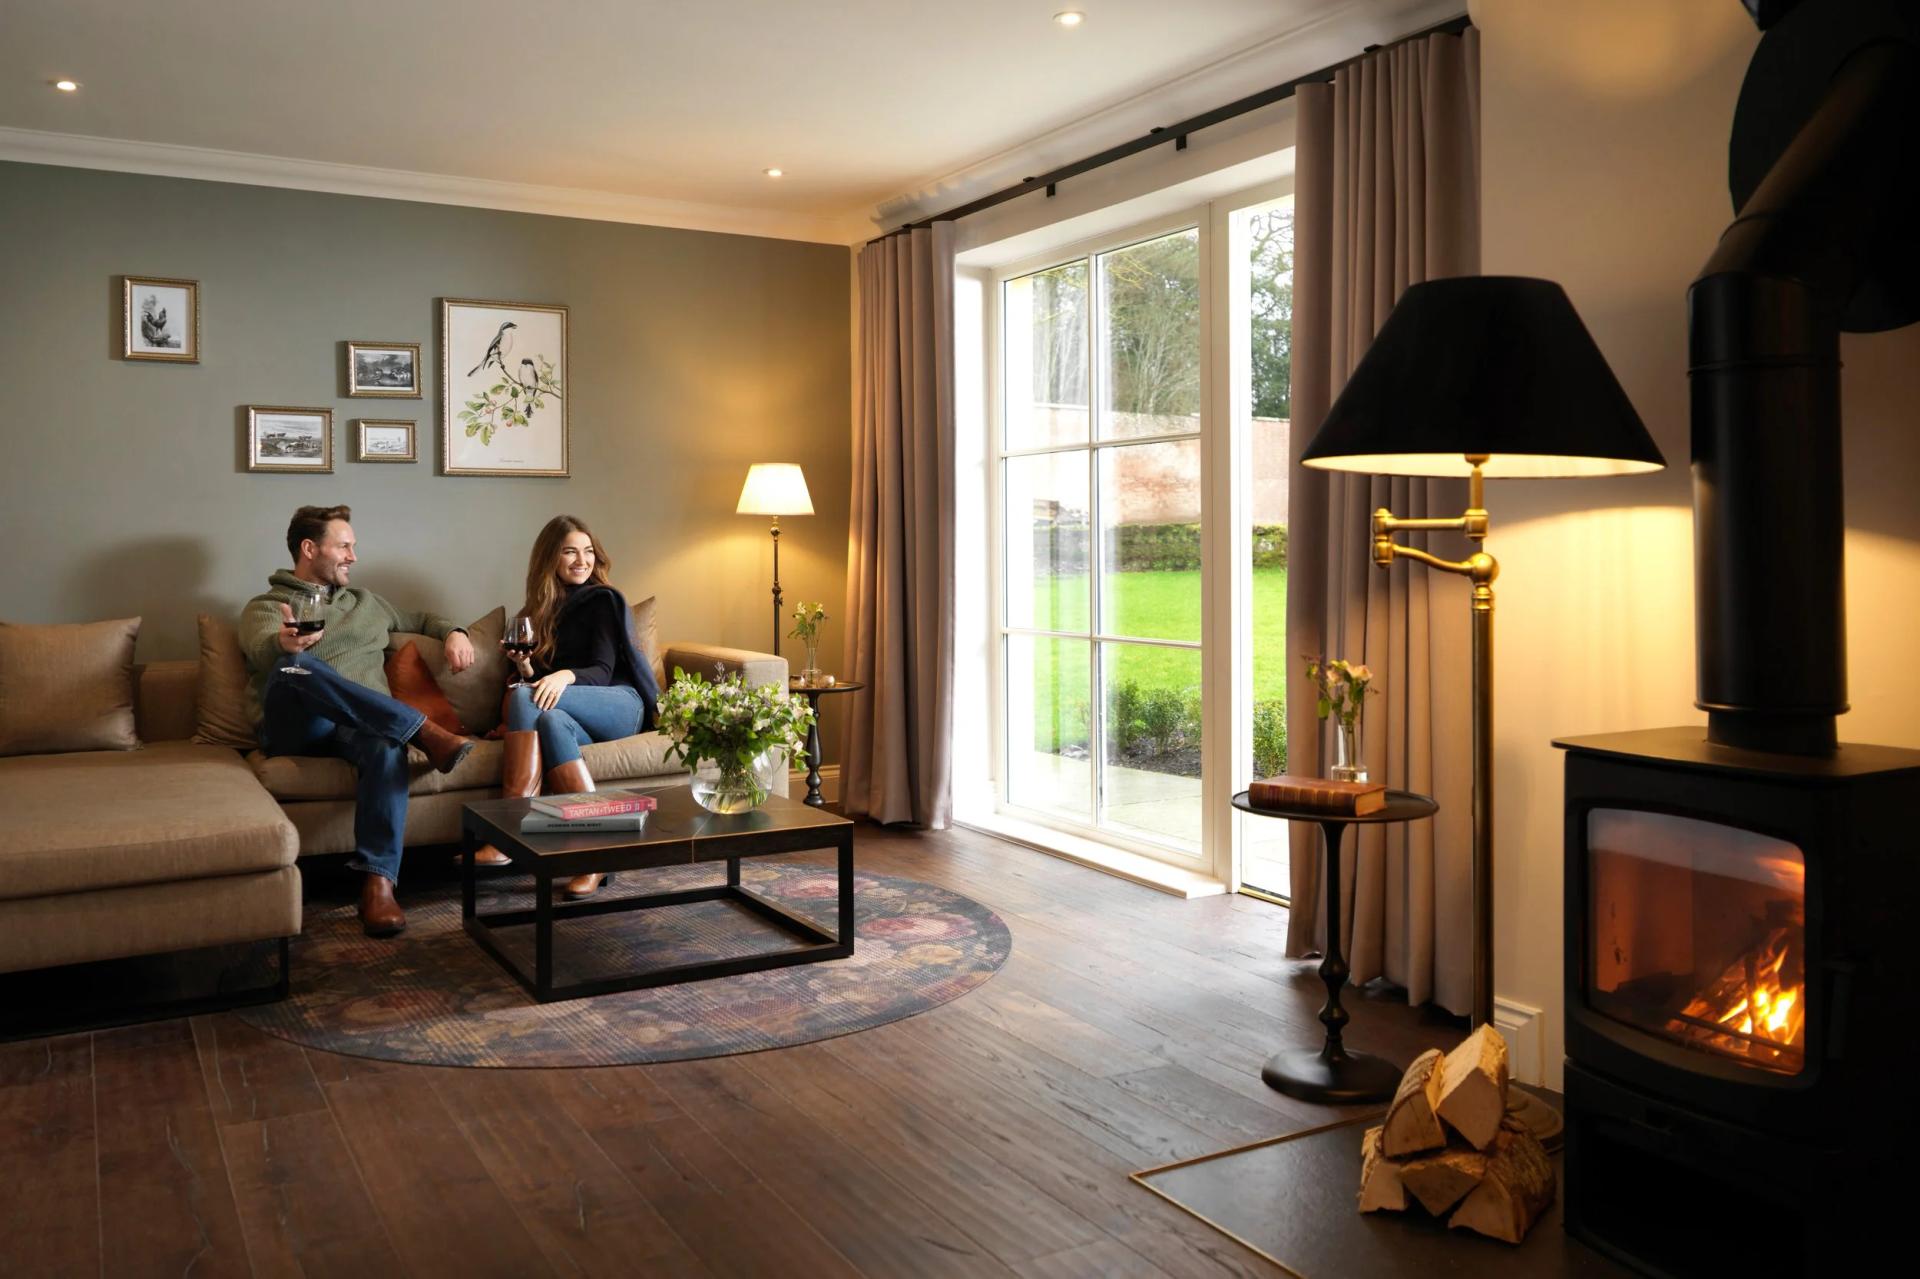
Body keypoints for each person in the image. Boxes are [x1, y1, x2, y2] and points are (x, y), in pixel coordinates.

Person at [239, 505, 478, 937]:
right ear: (310, 549)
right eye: (344, 546)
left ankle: (379, 886)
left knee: (386, 744)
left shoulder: (369, 603)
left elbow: (424, 619)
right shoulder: (269, 605)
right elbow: (260, 649)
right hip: (300, 727)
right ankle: (420, 729)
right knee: (292, 667)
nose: (353, 556)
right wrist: (284, 641)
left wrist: (455, 632)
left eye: (353, 547)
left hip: (361, 728)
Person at [505, 514, 659, 900]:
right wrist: (526, 667)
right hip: (576, 711)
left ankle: (508, 827)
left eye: (588, 551)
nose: (581, 560)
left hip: (621, 704)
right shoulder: (539, 611)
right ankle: (595, 856)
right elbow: (544, 680)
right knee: (552, 721)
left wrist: (564, 676)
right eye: (570, 551)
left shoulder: (603, 600)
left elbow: (602, 671)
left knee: (523, 696)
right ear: (550, 559)